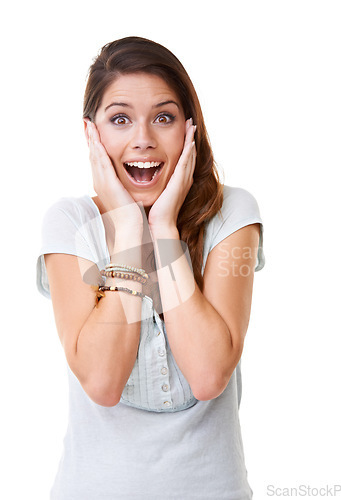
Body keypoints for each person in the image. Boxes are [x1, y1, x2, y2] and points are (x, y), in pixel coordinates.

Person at [36, 36, 265, 500]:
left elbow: (208, 375)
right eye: (120, 119)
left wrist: (162, 229)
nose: (143, 137)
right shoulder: (70, 224)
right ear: (92, 135)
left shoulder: (232, 213)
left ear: (189, 129)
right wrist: (126, 227)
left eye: (163, 117)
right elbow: (102, 381)